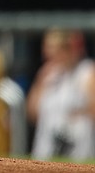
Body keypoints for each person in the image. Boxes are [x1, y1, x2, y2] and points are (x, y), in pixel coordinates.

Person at [27, 28, 95, 162]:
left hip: (77, 150)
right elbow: (32, 114)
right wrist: (40, 83)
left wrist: (78, 112)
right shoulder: (47, 74)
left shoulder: (87, 72)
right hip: (46, 149)